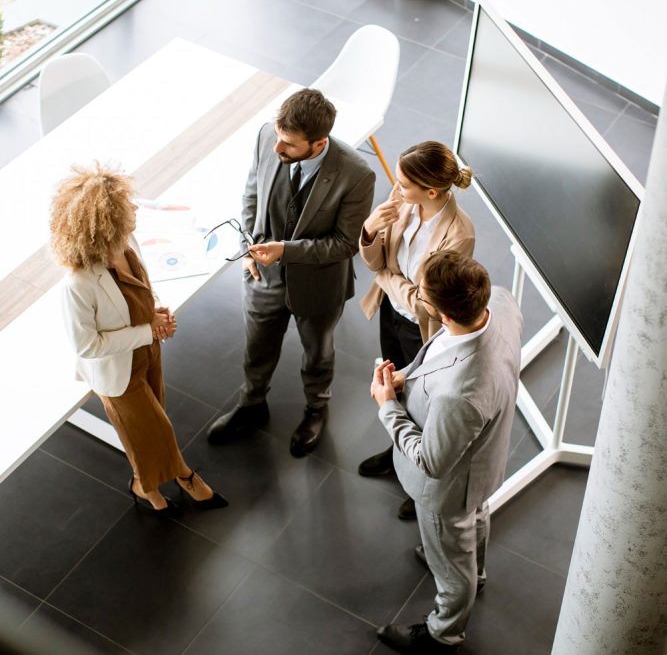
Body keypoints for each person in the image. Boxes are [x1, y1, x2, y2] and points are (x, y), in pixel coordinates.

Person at [206, 89, 375, 456]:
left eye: (289, 145)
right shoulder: (268, 135)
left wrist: (286, 252)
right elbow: (251, 195)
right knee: (257, 347)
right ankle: (252, 405)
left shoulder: (356, 175)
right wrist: (247, 246)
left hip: (318, 284)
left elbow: (346, 245)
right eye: (279, 138)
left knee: (318, 352)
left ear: (318, 144)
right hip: (262, 276)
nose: (277, 149)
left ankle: (316, 409)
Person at [51, 164, 227, 517]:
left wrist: (154, 315)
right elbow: (87, 345)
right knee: (153, 429)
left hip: (146, 351)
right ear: (104, 225)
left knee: (148, 425)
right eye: (125, 208)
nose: (134, 210)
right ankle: (184, 475)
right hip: (117, 370)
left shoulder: (125, 243)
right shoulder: (78, 284)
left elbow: (136, 291)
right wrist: (148, 330)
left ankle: (142, 483)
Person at [371, 251, 522, 653]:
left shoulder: (463, 393)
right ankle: (478, 571)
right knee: (477, 518)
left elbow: (431, 461)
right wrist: (405, 377)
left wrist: (387, 404)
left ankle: (444, 632)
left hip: (449, 488)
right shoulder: (500, 303)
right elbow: (440, 352)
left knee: (452, 569)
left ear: (445, 314)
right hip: (483, 462)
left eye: (423, 294)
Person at [358, 141, 475, 521]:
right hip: (390, 314)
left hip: (421, 330)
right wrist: (371, 228)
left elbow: (427, 304)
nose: (397, 188)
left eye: (405, 184)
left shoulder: (459, 235)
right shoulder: (402, 202)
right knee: (391, 384)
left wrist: (389, 278)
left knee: (420, 404)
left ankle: (417, 479)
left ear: (432, 191)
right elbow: (375, 261)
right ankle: (397, 455)